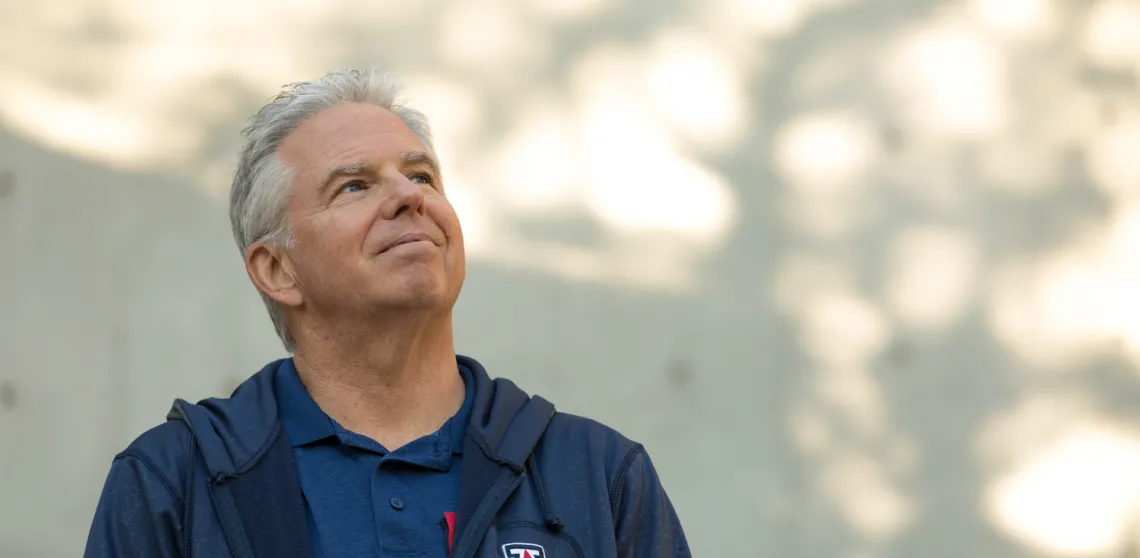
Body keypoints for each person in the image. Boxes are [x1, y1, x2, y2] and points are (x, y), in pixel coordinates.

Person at [84, 68, 690, 558]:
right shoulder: (171, 482)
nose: (409, 196)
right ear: (277, 270)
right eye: (354, 185)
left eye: (421, 174)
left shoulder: (600, 476)